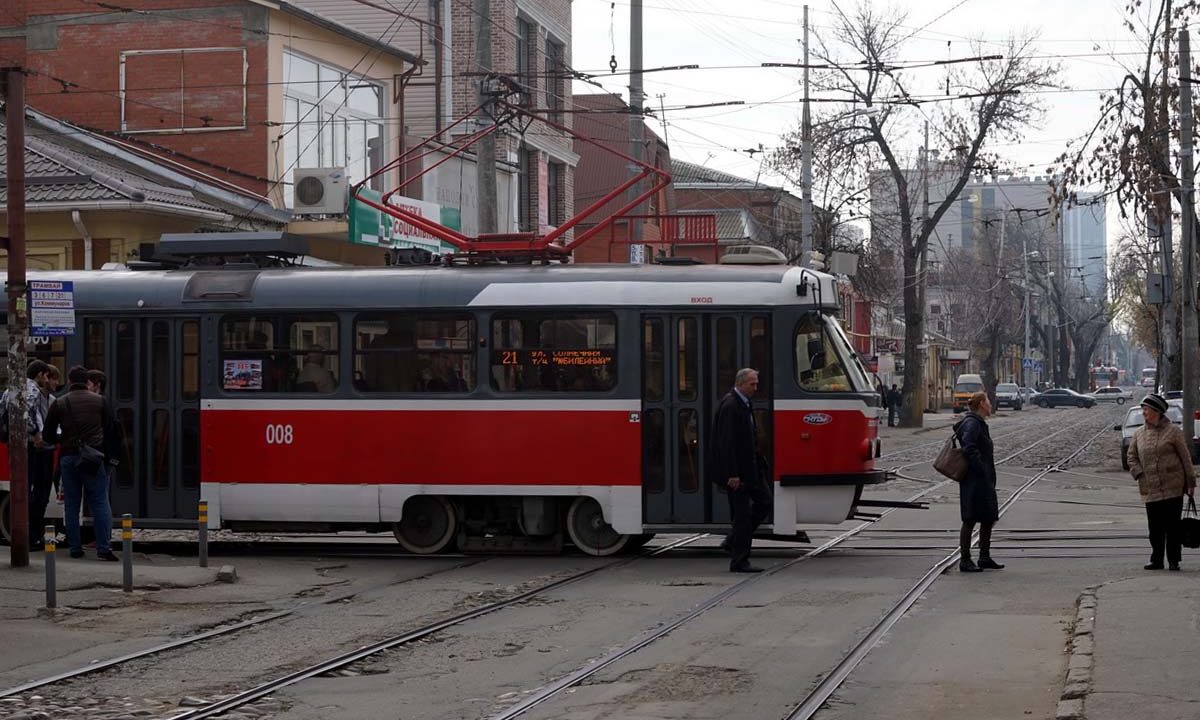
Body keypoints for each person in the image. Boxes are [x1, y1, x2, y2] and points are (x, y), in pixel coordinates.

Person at [43, 365, 119, 561]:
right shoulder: (100, 401)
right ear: (87, 382)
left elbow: (48, 435)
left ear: (69, 381)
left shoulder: (60, 403)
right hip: (94, 458)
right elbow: (111, 429)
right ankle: (103, 549)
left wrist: (65, 440)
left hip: (69, 458)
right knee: (100, 502)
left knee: (71, 504)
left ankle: (75, 548)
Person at [710, 367, 771, 573]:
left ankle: (733, 541)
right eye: (752, 384)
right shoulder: (731, 406)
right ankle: (739, 561)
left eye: (756, 383)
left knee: (764, 503)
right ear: (740, 383)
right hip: (738, 474)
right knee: (742, 517)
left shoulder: (744, 403)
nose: (756, 387)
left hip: (751, 470)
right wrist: (732, 474)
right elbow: (726, 444)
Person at [1127, 393, 1196, 571]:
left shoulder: (1173, 432)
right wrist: (1139, 473)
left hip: (1173, 485)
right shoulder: (1139, 434)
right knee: (1155, 528)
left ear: (1157, 411)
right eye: (1143, 410)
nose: (1144, 413)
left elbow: (1185, 457)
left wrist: (1190, 482)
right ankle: (1156, 559)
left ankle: (1174, 560)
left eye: (1146, 410)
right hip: (1150, 487)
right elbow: (1131, 457)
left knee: (1172, 527)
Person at [2, 360, 52, 548]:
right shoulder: (32, 390)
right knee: (35, 490)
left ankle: (23, 535)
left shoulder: (10, 389)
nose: (46, 379)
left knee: (21, 489)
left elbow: (2, 412)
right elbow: (27, 413)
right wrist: (35, 434)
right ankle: (31, 536)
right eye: (46, 375)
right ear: (39, 374)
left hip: (14, 444)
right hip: (30, 446)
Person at [955, 391, 1002, 572]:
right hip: (975, 479)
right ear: (982, 403)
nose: (991, 404)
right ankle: (965, 559)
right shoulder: (973, 423)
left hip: (981, 478)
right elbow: (969, 446)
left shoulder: (978, 422)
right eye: (988, 401)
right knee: (971, 518)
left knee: (988, 517)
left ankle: (984, 557)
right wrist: (980, 468)